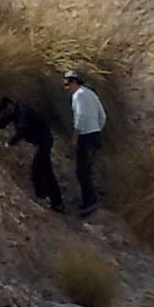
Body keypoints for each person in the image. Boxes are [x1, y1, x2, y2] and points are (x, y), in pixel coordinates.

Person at [0, 96, 66, 213]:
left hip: (44, 140)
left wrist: (9, 143)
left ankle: (48, 199)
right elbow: (3, 122)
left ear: (9, 106)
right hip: (41, 140)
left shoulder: (21, 111)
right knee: (44, 170)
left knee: (40, 169)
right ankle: (52, 200)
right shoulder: (14, 110)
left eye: (5, 110)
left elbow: (22, 130)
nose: (5, 113)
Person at [64, 70, 106, 216]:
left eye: (67, 84)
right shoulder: (91, 94)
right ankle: (90, 200)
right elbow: (103, 116)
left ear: (74, 82)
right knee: (87, 169)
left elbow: (80, 117)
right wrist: (97, 129)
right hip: (95, 135)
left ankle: (90, 203)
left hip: (86, 136)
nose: (66, 88)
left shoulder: (78, 95)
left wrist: (74, 138)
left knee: (82, 172)